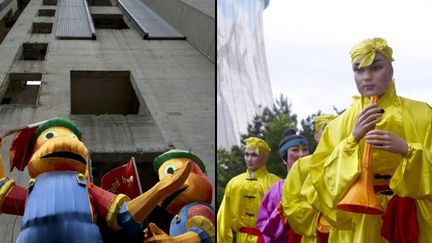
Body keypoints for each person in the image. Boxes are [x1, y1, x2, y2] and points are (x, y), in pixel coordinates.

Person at [308, 37, 432, 243]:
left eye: (376, 68)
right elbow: (319, 182)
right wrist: (351, 140)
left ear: (391, 71)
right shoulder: (339, 125)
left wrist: (407, 149)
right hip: (359, 222)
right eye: (358, 70)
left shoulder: (423, 115)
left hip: (413, 216)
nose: (367, 77)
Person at [281, 115, 339, 243]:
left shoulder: (349, 161)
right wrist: (322, 216)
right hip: (314, 236)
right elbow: (291, 205)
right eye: (325, 129)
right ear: (316, 136)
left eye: (335, 128)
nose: (330, 132)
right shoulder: (302, 166)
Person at [217, 137, 280, 242]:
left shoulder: (275, 184)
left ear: (264, 158)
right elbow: (223, 220)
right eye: (247, 154)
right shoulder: (234, 184)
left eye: (254, 155)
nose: (249, 159)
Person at [256, 129, 309, 242]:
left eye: (305, 149)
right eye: (295, 150)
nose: (302, 154)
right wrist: (282, 209)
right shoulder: (275, 191)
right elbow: (263, 227)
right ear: (284, 159)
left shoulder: (317, 184)